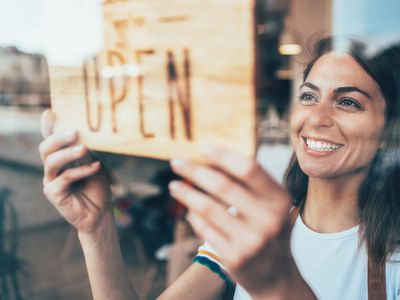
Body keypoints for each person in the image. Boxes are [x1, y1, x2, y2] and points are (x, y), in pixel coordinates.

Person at [39, 37, 400, 299]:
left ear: (388, 131)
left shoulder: (394, 263)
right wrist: (97, 226)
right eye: (308, 96)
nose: (316, 118)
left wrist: (276, 282)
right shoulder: (248, 227)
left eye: (348, 102)